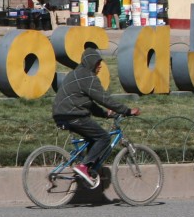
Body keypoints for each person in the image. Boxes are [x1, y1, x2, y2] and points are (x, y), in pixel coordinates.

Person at [51, 47, 140, 189]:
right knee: (103, 137)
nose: (99, 66)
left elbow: (88, 103)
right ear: (91, 63)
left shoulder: (75, 74)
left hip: (61, 114)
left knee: (94, 137)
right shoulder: (88, 77)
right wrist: (127, 111)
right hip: (73, 115)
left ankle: (87, 169)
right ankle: (84, 167)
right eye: (98, 63)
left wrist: (104, 114)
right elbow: (104, 98)